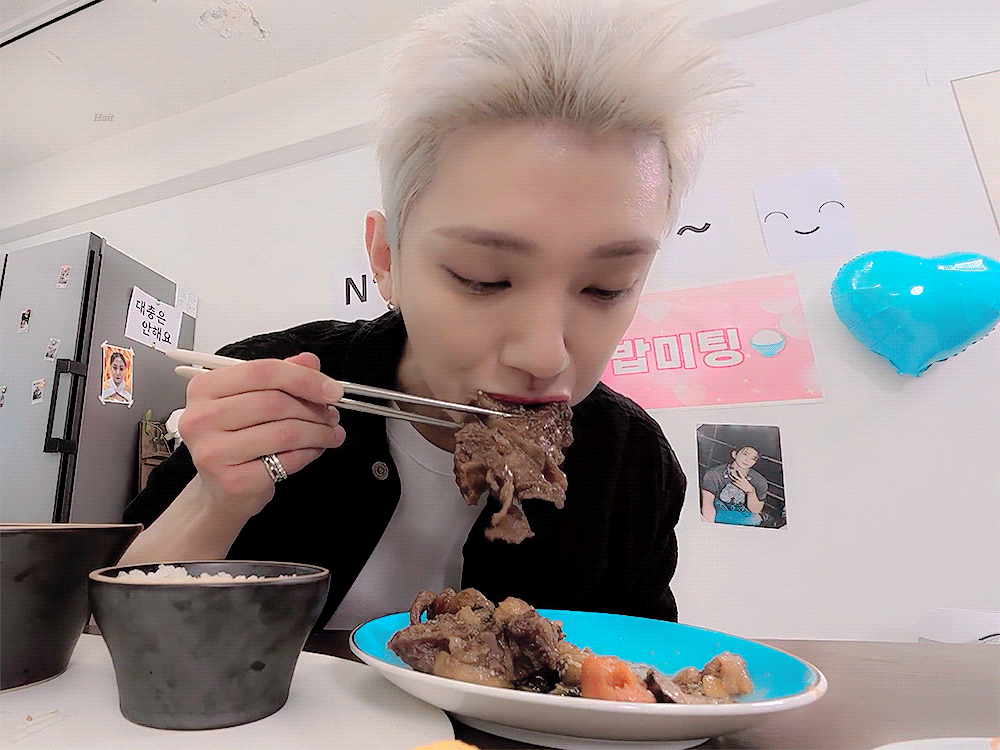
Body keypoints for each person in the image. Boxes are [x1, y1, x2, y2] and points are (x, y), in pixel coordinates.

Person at [119, 0, 742, 630]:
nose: (544, 354)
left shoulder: (634, 463)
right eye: (483, 278)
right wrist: (214, 500)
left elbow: (637, 662)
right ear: (385, 259)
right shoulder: (273, 381)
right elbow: (108, 625)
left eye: (607, 288)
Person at [700, 446, 768, 526]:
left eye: (753, 458)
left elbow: (756, 510)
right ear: (734, 454)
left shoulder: (759, 481)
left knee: (755, 519)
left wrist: (750, 491)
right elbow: (708, 503)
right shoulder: (714, 474)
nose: (748, 460)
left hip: (740, 511)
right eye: (745, 454)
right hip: (718, 506)